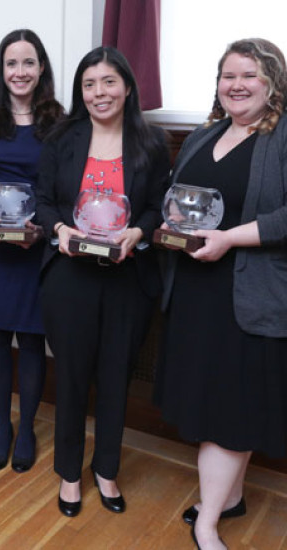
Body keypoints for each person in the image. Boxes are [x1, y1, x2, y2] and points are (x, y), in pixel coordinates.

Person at [155, 38, 287, 550]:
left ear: (271, 81)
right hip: (193, 290)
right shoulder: (202, 136)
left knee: (235, 407)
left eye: (248, 75)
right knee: (213, 402)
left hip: (249, 296)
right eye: (227, 75)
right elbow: (177, 199)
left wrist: (229, 238)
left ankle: (206, 522)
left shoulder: (281, 138)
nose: (236, 85)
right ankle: (229, 499)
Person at [35, 46, 169, 516]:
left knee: (116, 378)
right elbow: (43, 199)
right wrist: (59, 230)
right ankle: (70, 474)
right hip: (70, 278)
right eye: (89, 84)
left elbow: (156, 206)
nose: (99, 92)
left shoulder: (149, 142)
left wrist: (138, 231)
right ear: (81, 91)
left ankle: (106, 469)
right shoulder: (62, 138)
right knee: (70, 379)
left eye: (109, 82)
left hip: (127, 278)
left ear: (127, 87)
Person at [0, 29, 63, 472]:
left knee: (34, 339)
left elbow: (58, 187)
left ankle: (28, 428)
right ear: (0, 71)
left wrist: (43, 228)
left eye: (28, 62)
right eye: (11, 63)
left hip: (35, 244)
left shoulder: (60, 120)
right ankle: (3, 426)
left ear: (41, 68)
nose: (19, 72)